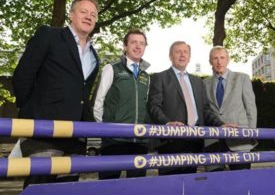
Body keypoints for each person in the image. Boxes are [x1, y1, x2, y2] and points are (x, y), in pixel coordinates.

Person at [12, 0, 100, 187]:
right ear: (70, 14)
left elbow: (84, 95)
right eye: (83, 11)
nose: (88, 17)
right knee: (40, 187)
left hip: (76, 135)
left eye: (93, 14)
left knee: (68, 188)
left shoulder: (95, 56)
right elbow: (22, 77)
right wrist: (33, 112)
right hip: (44, 132)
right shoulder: (49, 35)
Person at [148, 41, 224, 175]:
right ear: (170, 56)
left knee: (189, 185)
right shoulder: (160, 78)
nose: (182, 55)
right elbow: (154, 106)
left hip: (194, 142)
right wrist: (167, 123)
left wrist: (221, 124)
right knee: (171, 185)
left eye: (185, 52)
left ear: (189, 57)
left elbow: (205, 110)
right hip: (171, 142)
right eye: (178, 52)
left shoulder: (198, 82)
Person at [93, 29, 150, 179]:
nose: (138, 46)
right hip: (114, 141)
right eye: (133, 42)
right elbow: (97, 102)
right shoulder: (112, 68)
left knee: (137, 189)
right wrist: (106, 129)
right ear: (125, 46)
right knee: (108, 188)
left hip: (139, 142)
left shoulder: (146, 76)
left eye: (142, 43)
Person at [204, 45, 257, 170]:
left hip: (240, 140)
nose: (219, 61)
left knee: (241, 182)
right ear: (210, 61)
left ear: (228, 60)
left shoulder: (242, 78)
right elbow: (205, 110)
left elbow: (251, 108)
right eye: (215, 58)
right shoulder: (204, 83)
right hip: (213, 141)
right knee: (215, 183)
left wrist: (251, 133)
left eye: (222, 58)